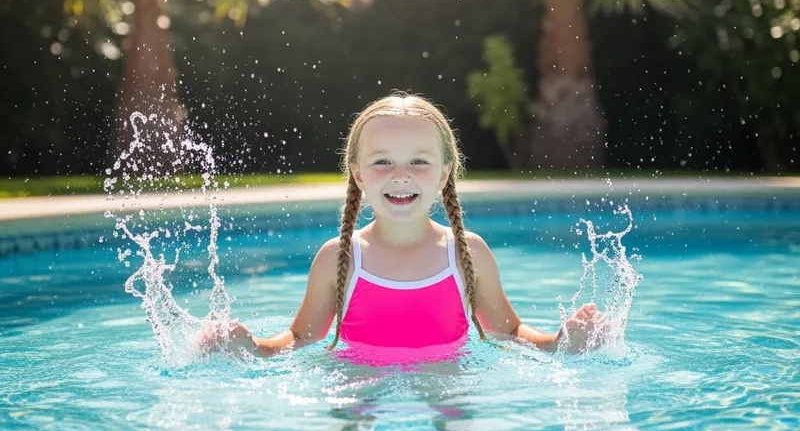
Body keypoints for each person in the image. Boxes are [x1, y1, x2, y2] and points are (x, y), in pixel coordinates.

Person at [200, 93, 608, 361]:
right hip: (357, 386)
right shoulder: (339, 258)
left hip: (448, 385)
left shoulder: (466, 253)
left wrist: (558, 344)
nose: (401, 175)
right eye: (382, 162)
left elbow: (508, 331)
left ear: (445, 173)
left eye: (418, 161)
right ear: (358, 175)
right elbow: (301, 339)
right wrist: (250, 347)